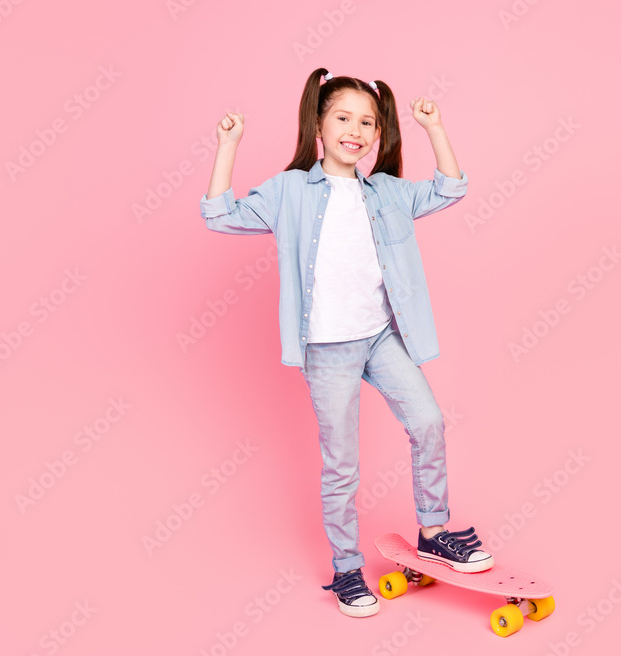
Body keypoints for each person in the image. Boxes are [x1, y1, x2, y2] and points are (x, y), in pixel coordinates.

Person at [198, 68, 492, 618]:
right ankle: (348, 569)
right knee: (342, 465)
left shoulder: (385, 192)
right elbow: (218, 216)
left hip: (381, 337)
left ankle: (434, 532)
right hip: (327, 349)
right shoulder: (289, 191)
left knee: (427, 421)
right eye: (343, 117)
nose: (355, 130)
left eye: (368, 122)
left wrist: (434, 129)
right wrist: (228, 146)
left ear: (377, 134)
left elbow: (451, 187)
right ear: (318, 123)